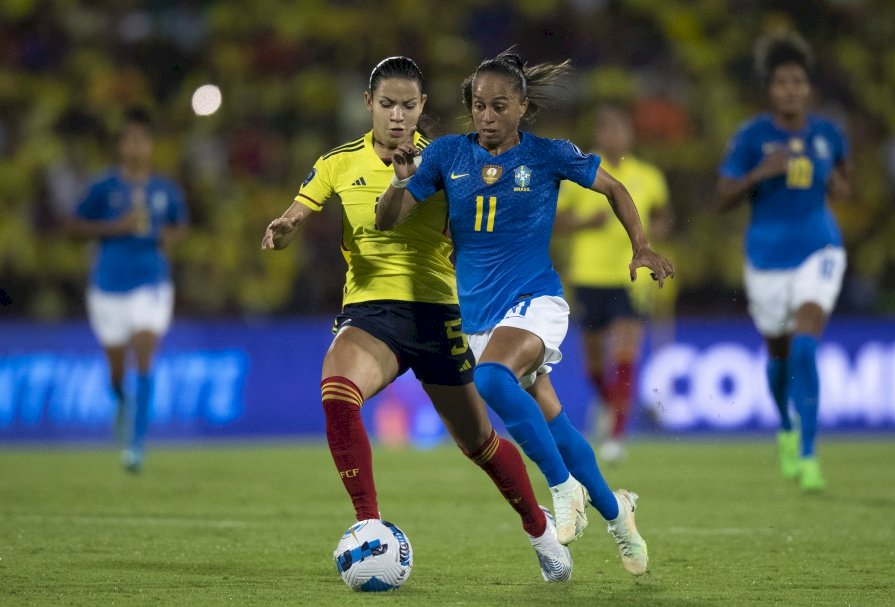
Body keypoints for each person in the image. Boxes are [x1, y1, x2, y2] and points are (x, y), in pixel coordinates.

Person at [260, 56, 572, 582]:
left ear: (422, 106)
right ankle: (369, 525)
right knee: (337, 390)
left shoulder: (448, 159)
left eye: (408, 105)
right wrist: (286, 226)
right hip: (372, 311)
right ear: (368, 104)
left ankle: (540, 528)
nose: (397, 115)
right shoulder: (338, 162)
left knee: (479, 443)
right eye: (387, 104)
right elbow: (298, 211)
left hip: (439, 313)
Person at [376, 49, 675, 577]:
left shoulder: (547, 155)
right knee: (554, 421)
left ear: (522, 107)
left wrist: (641, 245)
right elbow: (387, 220)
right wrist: (400, 180)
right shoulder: (446, 154)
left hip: (536, 300)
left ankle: (563, 490)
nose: (487, 116)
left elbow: (613, 186)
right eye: (478, 106)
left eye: (499, 106)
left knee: (491, 379)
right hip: (480, 317)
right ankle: (618, 515)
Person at [715, 32, 851, 491]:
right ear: (769, 90)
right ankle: (786, 426)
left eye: (798, 81)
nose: (791, 89)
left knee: (805, 345)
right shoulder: (752, 137)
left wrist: (838, 185)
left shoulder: (828, 133)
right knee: (778, 354)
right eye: (782, 82)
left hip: (820, 248)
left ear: (808, 87)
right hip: (767, 258)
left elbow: (844, 178)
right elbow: (722, 197)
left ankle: (809, 454)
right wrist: (760, 173)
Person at [66, 107, 188, 472]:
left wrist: (166, 236)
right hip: (107, 285)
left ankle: (136, 446)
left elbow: (179, 228)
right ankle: (121, 401)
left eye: (142, 140)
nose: (136, 146)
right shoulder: (103, 187)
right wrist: (114, 227)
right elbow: (74, 227)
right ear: (121, 146)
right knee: (117, 369)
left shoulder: (164, 189)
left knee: (144, 348)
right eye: (130, 140)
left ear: (150, 146)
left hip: (151, 280)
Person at [556, 104, 673, 464]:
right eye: (606, 130)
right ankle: (612, 407)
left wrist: (654, 232)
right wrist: (584, 224)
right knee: (593, 367)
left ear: (629, 135)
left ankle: (616, 436)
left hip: (630, 279)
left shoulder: (648, 177)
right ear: (599, 135)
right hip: (588, 276)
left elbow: (663, 215)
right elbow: (555, 221)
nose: (613, 136)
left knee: (624, 353)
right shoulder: (581, 172)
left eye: (619, 129)